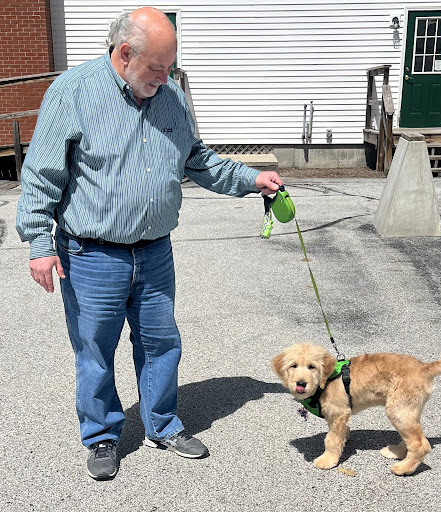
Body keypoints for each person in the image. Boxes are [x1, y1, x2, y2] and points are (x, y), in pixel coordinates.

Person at [16, 7, 282, 481]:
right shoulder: (73, 92)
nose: (165, 78)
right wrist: (40, 242)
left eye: (170, 68)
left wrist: (250, 178)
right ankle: (101, 435)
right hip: (91, 253)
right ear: (124, 54)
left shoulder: (171, 96)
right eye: (157, 69)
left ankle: (162, 424)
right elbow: (42, 173)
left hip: (155, 251)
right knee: (95, 350)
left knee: (161, 343)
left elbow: (197, 160)